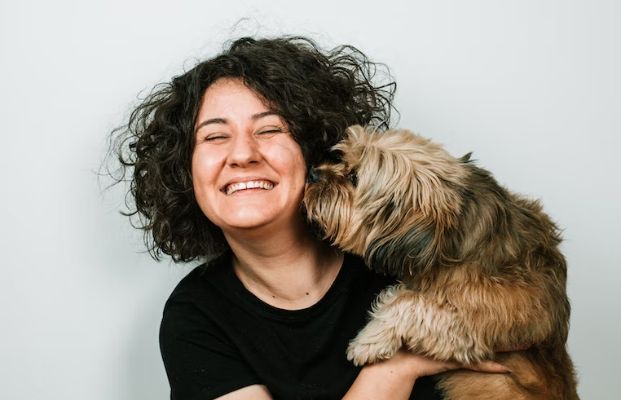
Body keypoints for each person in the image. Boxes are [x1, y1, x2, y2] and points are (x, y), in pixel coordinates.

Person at [112, 35, 508, 400]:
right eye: (215, 137)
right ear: (184, 172)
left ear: (312, 149)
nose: (243, 154)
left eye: (269, 129)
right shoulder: (195, 317)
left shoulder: (408, 251)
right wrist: (396, 368)